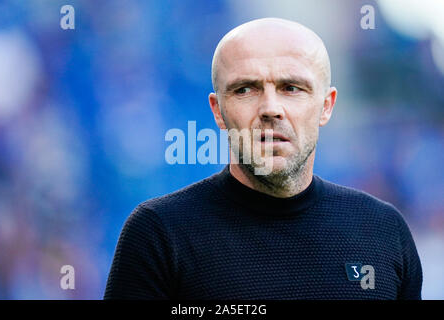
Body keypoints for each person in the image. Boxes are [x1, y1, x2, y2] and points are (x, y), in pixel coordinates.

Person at [104, 18, 422, 299]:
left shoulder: (383, 230)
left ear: (326, 105)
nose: (270, 108)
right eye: (245, 89)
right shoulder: (160, 234)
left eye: (291, 87)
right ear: (218, 110)